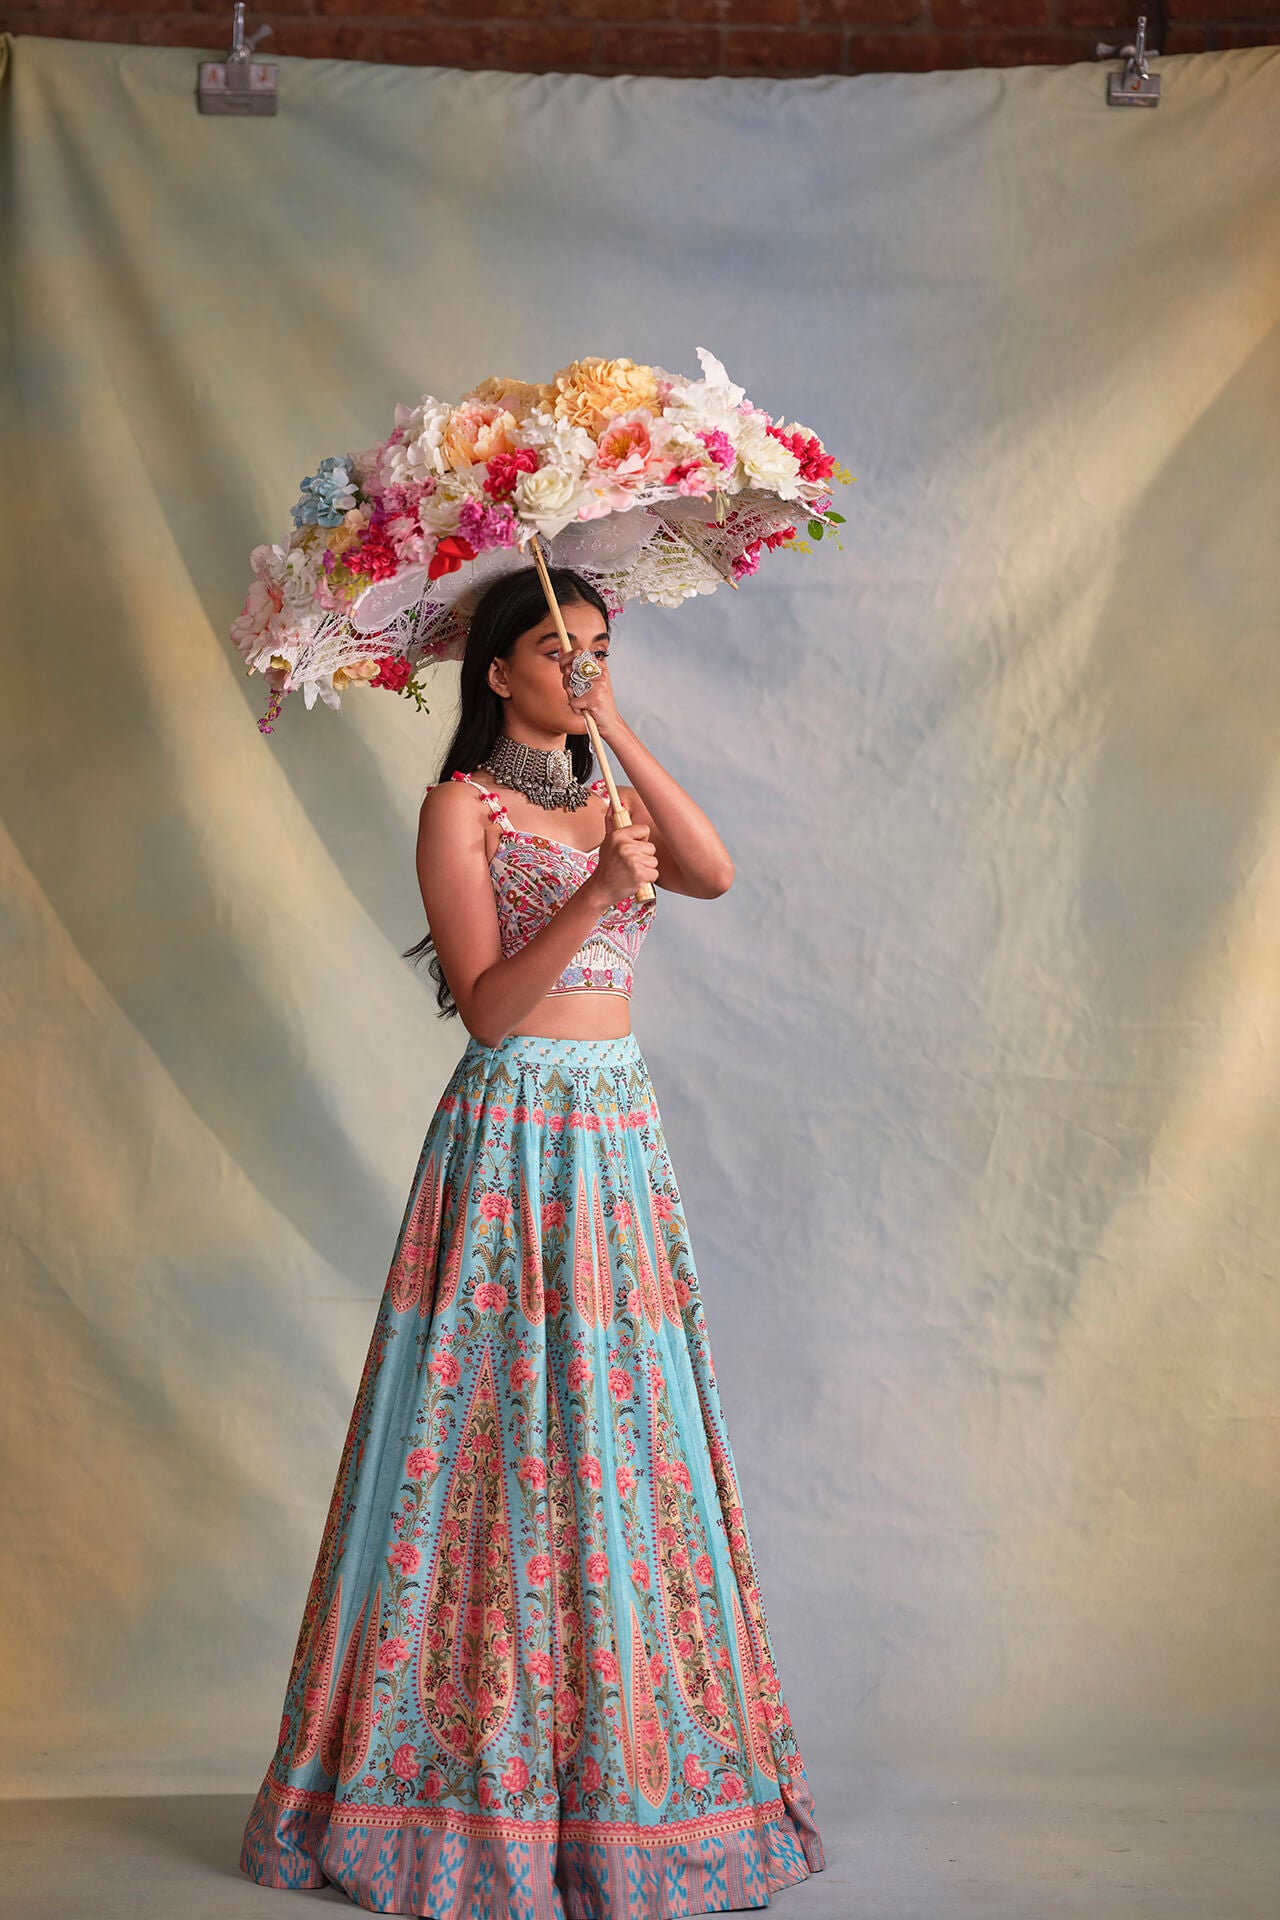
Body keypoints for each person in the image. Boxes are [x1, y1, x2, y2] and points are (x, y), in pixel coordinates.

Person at [238, 563, 826, 1918]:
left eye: (599, 646)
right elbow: (490, 1011)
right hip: (513, 1141)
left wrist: (616, 739)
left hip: (617, 1141)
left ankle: (621, 1764)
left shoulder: (609, 788)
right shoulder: (463, 807)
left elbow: (718, 872)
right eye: (557, 648)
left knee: (622, 1444)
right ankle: (459, 1778)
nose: (583, 664)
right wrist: (587, 895)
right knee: (493, 1437)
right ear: (495, 670)